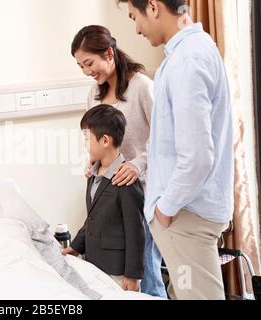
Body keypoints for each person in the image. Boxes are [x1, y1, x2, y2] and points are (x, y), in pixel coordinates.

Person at [118, 0, 233, 299]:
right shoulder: (193, 50)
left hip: (186, 215)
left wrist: (165, 208)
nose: (136, 29)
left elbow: (197, 156)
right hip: (188, 213)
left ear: (153, 7)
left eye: (135, 17)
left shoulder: (187, 60)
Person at [71, 25, 166, 297]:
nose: (88, 71)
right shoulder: (94, 94)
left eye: (89, 63)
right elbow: (93, 136)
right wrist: (91, 162)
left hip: (143, 193)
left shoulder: (142, 88)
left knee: (144, 273)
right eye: (81, 66)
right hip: (110, 192)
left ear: (109, 54)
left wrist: (138, 164)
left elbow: (164, 139)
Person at [63, 105, 145, 292]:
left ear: (105, 140)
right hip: (94, 264)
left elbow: (136, 232)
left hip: (117, 270)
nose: (85, 145)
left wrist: (133, 275)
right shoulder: (93, 174)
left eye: (87, 138)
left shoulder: (126, 179)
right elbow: (92, 219)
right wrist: (76, 247)